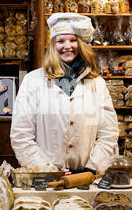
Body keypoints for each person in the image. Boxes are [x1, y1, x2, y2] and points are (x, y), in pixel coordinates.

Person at [10, 12, 119, 175]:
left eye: (73, 40)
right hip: (45, 178)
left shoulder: (97, 83)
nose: (67, 46)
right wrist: (47, 170)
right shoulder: (32, 81)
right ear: (53, 46)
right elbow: (21, 135)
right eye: (60, 41)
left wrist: (91, 169)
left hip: (86, 177)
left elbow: (108, 134)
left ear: (80, 44)